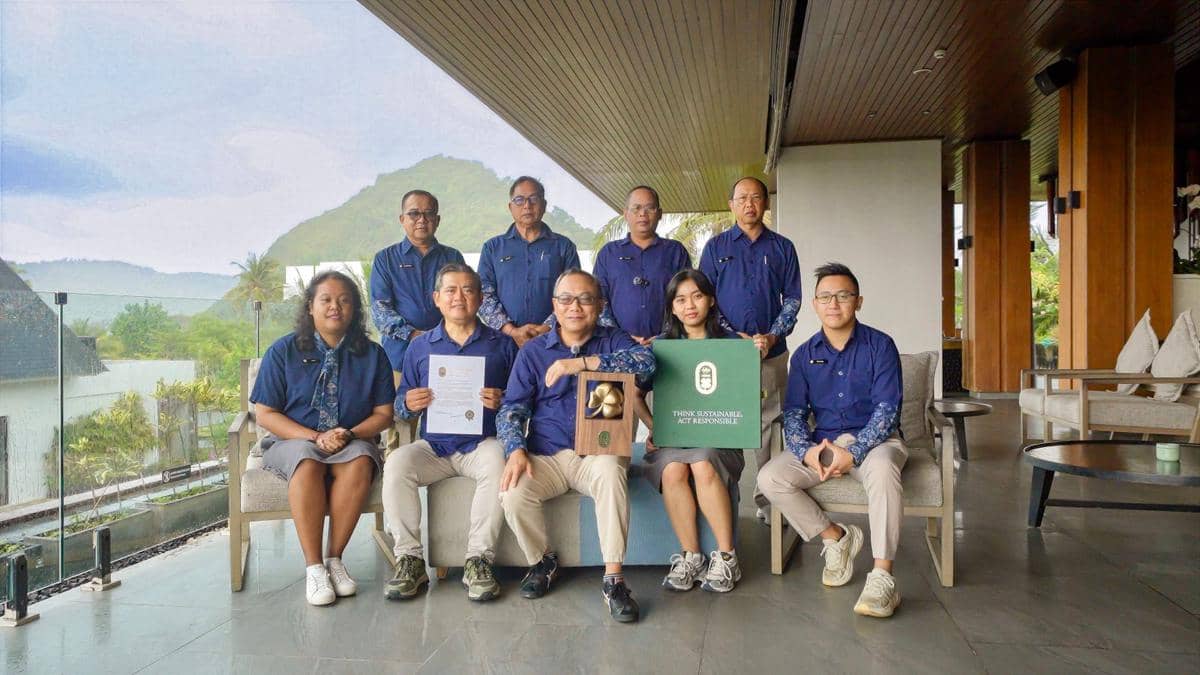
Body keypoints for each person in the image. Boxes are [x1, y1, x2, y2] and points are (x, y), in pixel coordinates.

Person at [496, 269, 655, 623]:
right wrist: (515, 450)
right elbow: (512, 407)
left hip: (596, 454)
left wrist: (581, 364)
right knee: (513, 491)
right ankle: (543, 561)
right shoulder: (534, 352)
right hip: (547, 455)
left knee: (613, 469)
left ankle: (613, 579)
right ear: (554, 305)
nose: (575, 307)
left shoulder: (614, 340)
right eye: (566, 299)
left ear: (599, 305)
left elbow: (646, 363)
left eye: (585, 299)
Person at [757, 262, 906, 618]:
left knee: (884, 470)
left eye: (843, 296)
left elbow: (887, 412)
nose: (834, 304)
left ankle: (882, 575)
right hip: (823, 445)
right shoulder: (805, 354)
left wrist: (852, 453)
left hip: (876, 443)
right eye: (825, 297)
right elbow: (793, 413)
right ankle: (835, 537)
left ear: (858, 301)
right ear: (814, 304)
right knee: (770, 477)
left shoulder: (880, 346)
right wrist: (807, 451)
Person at [250, 271, 395, 606]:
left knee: (361, 458)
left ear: (355, 310)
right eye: (326, 300)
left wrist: (349, 433)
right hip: (292, 441)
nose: (335, 307)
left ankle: (334, 560)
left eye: (345, 300)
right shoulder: (283, 351)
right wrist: (316, 436)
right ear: (310, 308)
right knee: (306, 458)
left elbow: (384, 414)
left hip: (351, 438)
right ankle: (314, 568)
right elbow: (266, 414)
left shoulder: (373, 355)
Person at [381, 263, 517, 603]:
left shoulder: (502, 344)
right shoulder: (421, 347)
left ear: (480, 297)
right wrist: (409, 403)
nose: (460, 297)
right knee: (398, 462)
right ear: (437, 299)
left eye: (468, 290)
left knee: (498, 460)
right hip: (434, 445)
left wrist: (502, 400)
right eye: (451, 290)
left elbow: (521, 400)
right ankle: (409, 559)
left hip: (481, 443)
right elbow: (399, 407)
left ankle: (478, 561)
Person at [633, 269, 767, 593]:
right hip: (677, 437)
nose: (689, 305)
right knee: (674, 470)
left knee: (702, 461)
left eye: (696, 296)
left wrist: (757, 355)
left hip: (720, 439)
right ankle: (691, 556)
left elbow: (745, 393)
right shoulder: (662, 347)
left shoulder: (733, 343)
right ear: (672, 308)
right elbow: (634, 394)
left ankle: (726, 557)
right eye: (680, 299)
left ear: (710, 300)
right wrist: (655, 426)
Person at [698, 176, 803, 522]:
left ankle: (769, 502)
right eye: (742, 198)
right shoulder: (715, 249)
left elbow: (793, 300)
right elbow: (705, 301)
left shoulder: (783, 248)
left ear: (765, 204)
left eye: (756, 197)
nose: (749, 204)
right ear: (731, 205)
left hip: (771, 353)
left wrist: (771, 336)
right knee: (726, 423)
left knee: (769, 426)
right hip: (726, 354)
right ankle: (722, 501)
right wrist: (733, 336)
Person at [370, 190, 466, 447]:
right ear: (402, 219)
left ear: (438, 219)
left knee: (449, 425)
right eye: (414, 213)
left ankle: (442, 482)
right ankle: (397, 481)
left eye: (428, 213)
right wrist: (416, 336)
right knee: (399, 430)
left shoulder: (452, 257)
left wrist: (441, 338)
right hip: (401, 360)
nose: (421, 219)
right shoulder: (385, 259)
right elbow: (380, 311)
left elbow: (463, 303)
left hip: (448, 357)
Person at [478, 176, 581, 346]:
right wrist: (511, 331)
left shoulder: (564, 247)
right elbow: (483, 294)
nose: (527, 205)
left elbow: (574, 293)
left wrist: (546, 328)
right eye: (519, 200)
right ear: (510, 207)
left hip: (554, 339)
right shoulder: (492, 248)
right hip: (503, 341)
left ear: (544, 205)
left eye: (534, 199)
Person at [593, 185, 690, 344]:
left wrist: (666, 335)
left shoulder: (675, 251)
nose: (642, 214)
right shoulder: (608, 253)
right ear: (625, 214)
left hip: (669, 343)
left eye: (649, 208)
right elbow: (599, 301)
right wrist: (619, 337)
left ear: (659, 214)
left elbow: (686, 298)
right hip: (618, 346)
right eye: (636, 208)